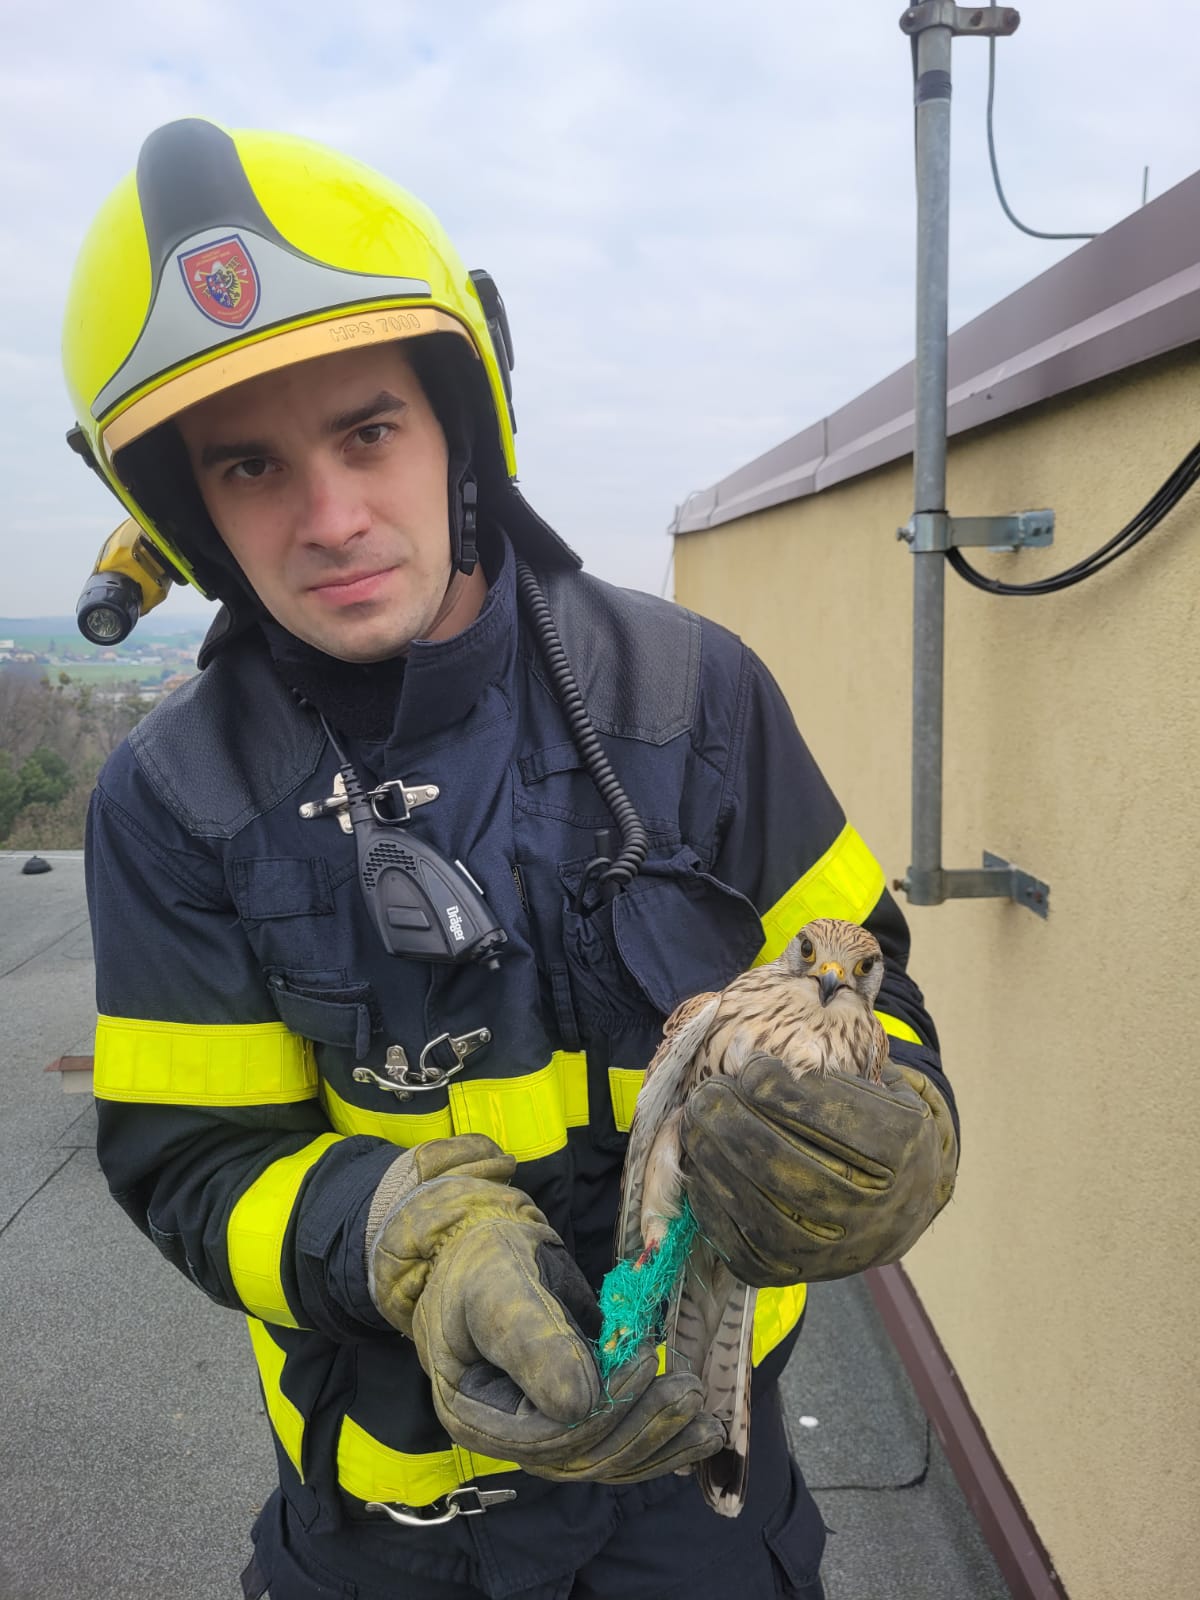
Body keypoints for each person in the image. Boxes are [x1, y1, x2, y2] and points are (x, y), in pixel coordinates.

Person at [63, 118, 959, 1600]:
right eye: (250, 465)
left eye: (368, 432)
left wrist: (893, 1127)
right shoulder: (174, 803)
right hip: (392, 1541)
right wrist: (405, 1239)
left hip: (706, 1504)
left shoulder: (696, 699)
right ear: (189, 510)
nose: (331, 518)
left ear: (460, 425)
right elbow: (192, 1163)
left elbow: (870, 988)